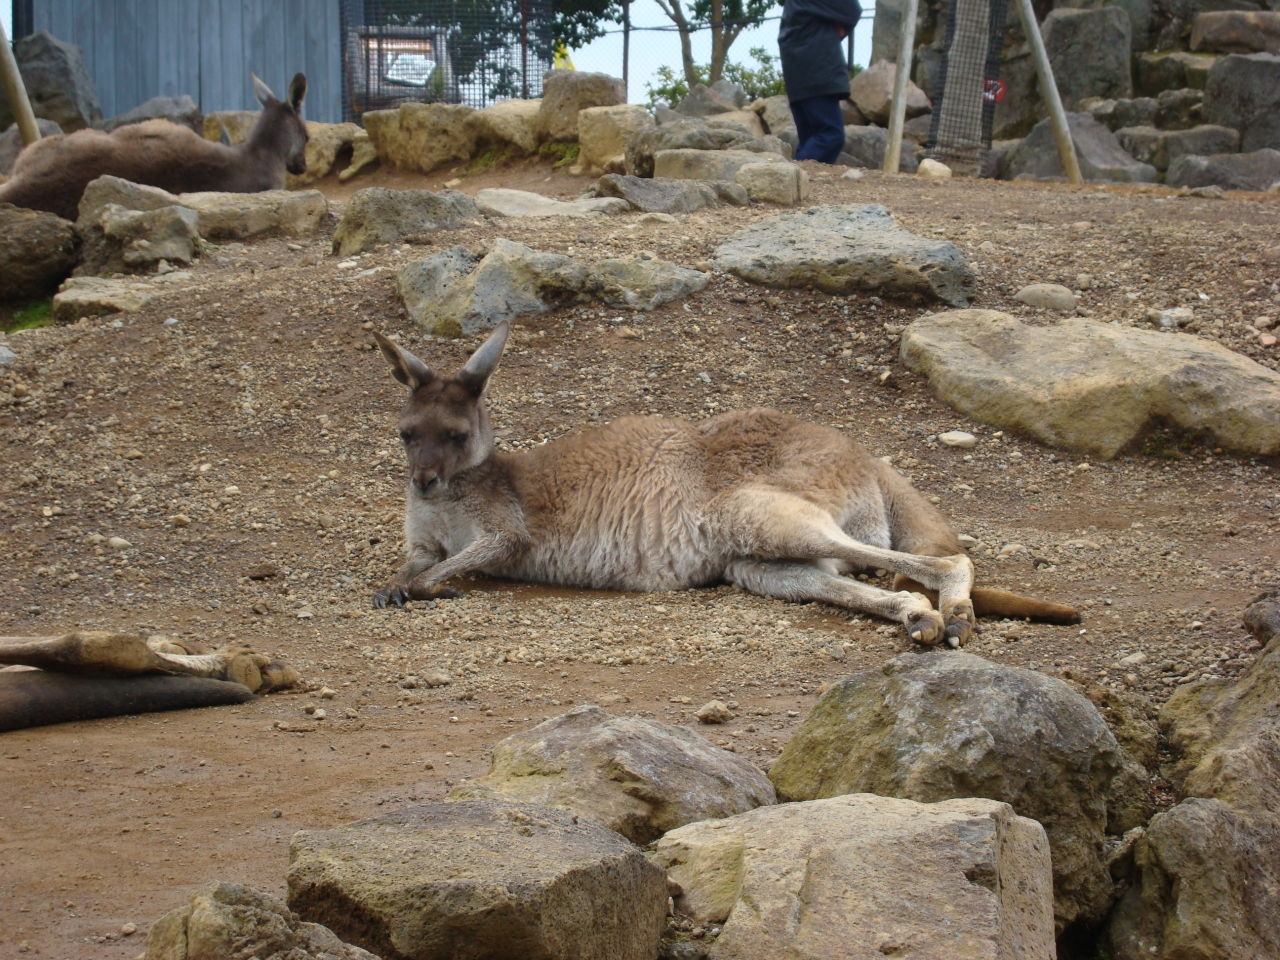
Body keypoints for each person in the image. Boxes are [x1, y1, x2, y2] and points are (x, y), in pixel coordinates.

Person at [778, 0, 862, 164]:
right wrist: (838, 27)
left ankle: (796, 176)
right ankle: (791, 173)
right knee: (830, 134)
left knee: (811, 137)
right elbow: (852, 9)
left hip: (795, 70)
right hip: (817, 68)